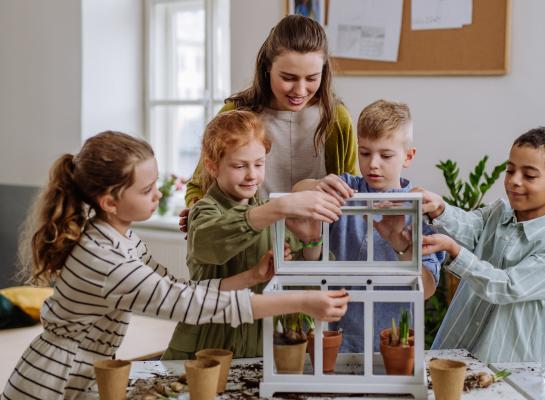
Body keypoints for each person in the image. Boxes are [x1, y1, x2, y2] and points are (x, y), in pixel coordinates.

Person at [2, 131, 350, 400]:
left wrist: (251, 276)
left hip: (82, 371)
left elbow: (179, 290)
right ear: (110, 201)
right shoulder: (105, 260)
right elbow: (188, 305)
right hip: (52, 381)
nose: (159, 195)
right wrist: (302, 302)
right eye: (148, 189)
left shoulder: (120, 238)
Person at [162, 110, 344, 360]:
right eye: (240, 166)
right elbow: (207, 244)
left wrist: (312, 242)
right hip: (207, 345)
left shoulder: (274, 217)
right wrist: (277, 208)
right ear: (212, 167)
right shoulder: (204, 210)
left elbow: (304, 286)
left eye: (259, 164)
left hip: (261, 349)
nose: (252, 175)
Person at [180, 14, 358, 232]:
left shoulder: (337, 119)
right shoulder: (236, 112)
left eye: (312, 78)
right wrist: (199, 212)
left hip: (317, 249)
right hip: (250, 247)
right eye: (288, 78)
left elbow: (352, 190)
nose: (300, 91)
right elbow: (198, 185)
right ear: (267, 68)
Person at [414, 127, 545, 364]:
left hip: (515, 368)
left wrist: (455, 251)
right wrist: (439, 208)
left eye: (529, 176)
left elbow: (508, 286)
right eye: (510, 170)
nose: (514, 181)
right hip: (455, 350)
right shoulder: (497, 212)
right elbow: (468, 225)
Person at [293, 100, 444, 353]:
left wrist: (401, 244)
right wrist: (316, 186)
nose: (373, 163)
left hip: (385, 350)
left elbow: (426, 289)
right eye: (365, 153)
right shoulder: (344, 187)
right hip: (328, 344)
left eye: (385, 155)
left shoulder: (421, 208)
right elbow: (297, 191)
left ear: (408, 157)